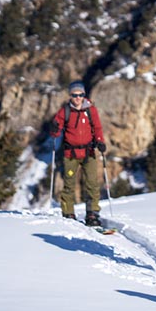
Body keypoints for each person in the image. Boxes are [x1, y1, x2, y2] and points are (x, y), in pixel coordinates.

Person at [49, 80, 107, 226]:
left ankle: (92, 213)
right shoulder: (65, 111)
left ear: (84, 95)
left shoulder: (90, 110)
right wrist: (55, 129)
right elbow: (56, 128)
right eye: (75, 95)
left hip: (89, 153)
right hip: (71, 154)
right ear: (70, 95)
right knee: (69, 185)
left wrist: (100, 141)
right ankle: (68, 213)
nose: (78, 98)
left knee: (92, 184)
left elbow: (97, 127)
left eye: (80, 94)